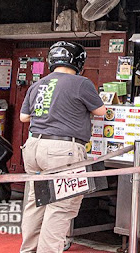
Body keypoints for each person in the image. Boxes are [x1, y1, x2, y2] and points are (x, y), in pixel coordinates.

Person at [19, 41, 106, 253]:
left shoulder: (38, 84)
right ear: (78, 61)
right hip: (62, 149)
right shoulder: (81, 83)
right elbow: (101, 111)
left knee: (35, 201)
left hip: (33, 147)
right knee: (61, 205)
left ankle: (28, 249)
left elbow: (23, 117)